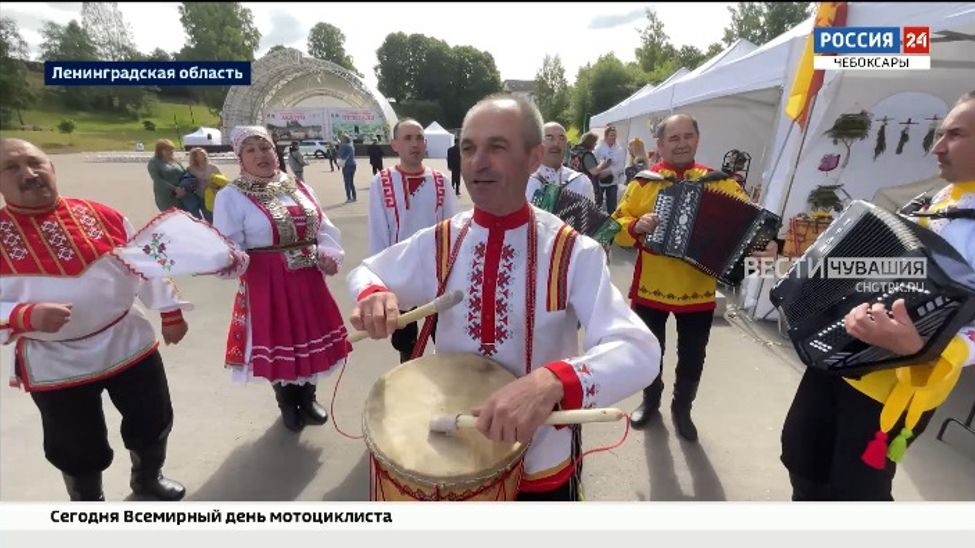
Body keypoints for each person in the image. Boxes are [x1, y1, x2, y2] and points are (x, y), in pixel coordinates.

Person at [347, 94, 659, 501]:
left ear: (533, 158)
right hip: (451, 456)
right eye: (469, 148)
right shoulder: (442, 241)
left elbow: (639, 351)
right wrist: (374, 294)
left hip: (542, 457)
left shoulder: (572, 251)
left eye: (497, 147)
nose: (478, 162)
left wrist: (551, 381)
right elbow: (366, 270)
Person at [781, 92, 975, 501]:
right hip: (840, 354)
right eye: (940, 133)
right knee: (802, 457)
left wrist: (925, 344)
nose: (937, 146)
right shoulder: (936, 201)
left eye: (954, 135)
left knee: (857, 490)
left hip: (900, 386)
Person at [1, 138, 190, 501]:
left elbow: (145, 265)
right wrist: (24, 316)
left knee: (152, 418)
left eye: (35, 162)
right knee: (75, 443)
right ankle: (89, 504)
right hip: (56, 360)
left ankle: (147, 478)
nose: (29, 173)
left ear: (51, 168)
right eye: (12, 167)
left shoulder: (104, 214)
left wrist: (170, 311)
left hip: (126, 341)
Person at [611, 113, 776, 441]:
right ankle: (650, 401)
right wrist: (635, 226)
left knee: (693, 355)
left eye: (688, 136)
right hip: (650, 287)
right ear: (659, 145)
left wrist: (768, 248)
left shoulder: (720, 182)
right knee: (649, 351)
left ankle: (682, 409)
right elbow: (615, 228)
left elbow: (752, 228)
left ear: (697, 139)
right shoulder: (642, 182)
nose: (682, 143)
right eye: (673, 138)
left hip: (698, 291)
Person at [212, 126, 352, 433]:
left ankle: (308, 396)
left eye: (265, 147)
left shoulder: (298, 186)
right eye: (251, 150)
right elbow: (228, 244)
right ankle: (287, 402)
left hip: (308, 279)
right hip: (268, 283)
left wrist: (329, 254)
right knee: (280, 339)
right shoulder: (231, 197)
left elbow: (324, 229)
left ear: (276, 152)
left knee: (309, 337)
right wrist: (229, 259)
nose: (260, 155)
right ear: (240, 158)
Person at [367, 118, 459, 363]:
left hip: (436, 273)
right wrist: (381, 277)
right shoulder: (382, 181)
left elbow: (453, 227)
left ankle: (444, 386)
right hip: (400, 272)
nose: (415, 144)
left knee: (444, 335)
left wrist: (453, 270)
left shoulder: (441, 181)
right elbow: (378, 231)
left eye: (419, 138)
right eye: (407, 138)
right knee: (405, 339)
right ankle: (408, 384)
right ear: (394, 144)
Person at [525, 122, 594, 203]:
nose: (556, 143)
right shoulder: (523, 181)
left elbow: (588, 214)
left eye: (561, 138)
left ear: (566, 144)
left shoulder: (581, 182)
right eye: (549, 138)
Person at [590, 127, 626, 214]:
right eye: (611, 135)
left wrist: (610, 171)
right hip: (599, 180)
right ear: (606, 136)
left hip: (613, 180)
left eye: (614, 135)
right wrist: (599, 171)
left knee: (612, 205)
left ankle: (611, 221)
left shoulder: (620, 150)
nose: (613, 137)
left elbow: (621, 166)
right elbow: (593, 161)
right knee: (597, 203)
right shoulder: (599, 148)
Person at [187, 147, 225, 223]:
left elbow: (223, 182)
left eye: (204, 153)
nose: (204, 155)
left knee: (219, 216)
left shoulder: (213, 167)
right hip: (201, 197)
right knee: (208, 218)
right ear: (195, 157)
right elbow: (189, 183)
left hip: (215, 197)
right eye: (201, 154)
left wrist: (215, 185)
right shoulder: (190, 169)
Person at [146, 139, 185, 212]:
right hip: (166, 197)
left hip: (182, 195)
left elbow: (184, 173)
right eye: (167, 150)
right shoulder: (154, 162)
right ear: (159, 151)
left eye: (171, 149)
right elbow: (157, 180)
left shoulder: (175, 161)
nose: (170, 151)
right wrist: (175, 189)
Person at [568, 133, 600, 198]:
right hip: (585, 185)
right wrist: (604, 164)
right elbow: (594, 172)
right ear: (590, 142)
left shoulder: (573, 151)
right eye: (595, 142)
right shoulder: (587, 154)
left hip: (572, 185)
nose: (596, 144)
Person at [338, 135, 357, 202]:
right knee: (351, 182)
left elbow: (340, 155)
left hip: (347, 165)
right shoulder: (351, 145)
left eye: (341, 138)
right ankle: (354, 197)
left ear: (344, 140)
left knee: (347, 182)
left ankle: (349, 197)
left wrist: (339, 146)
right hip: (353, 164)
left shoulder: (344, 146)